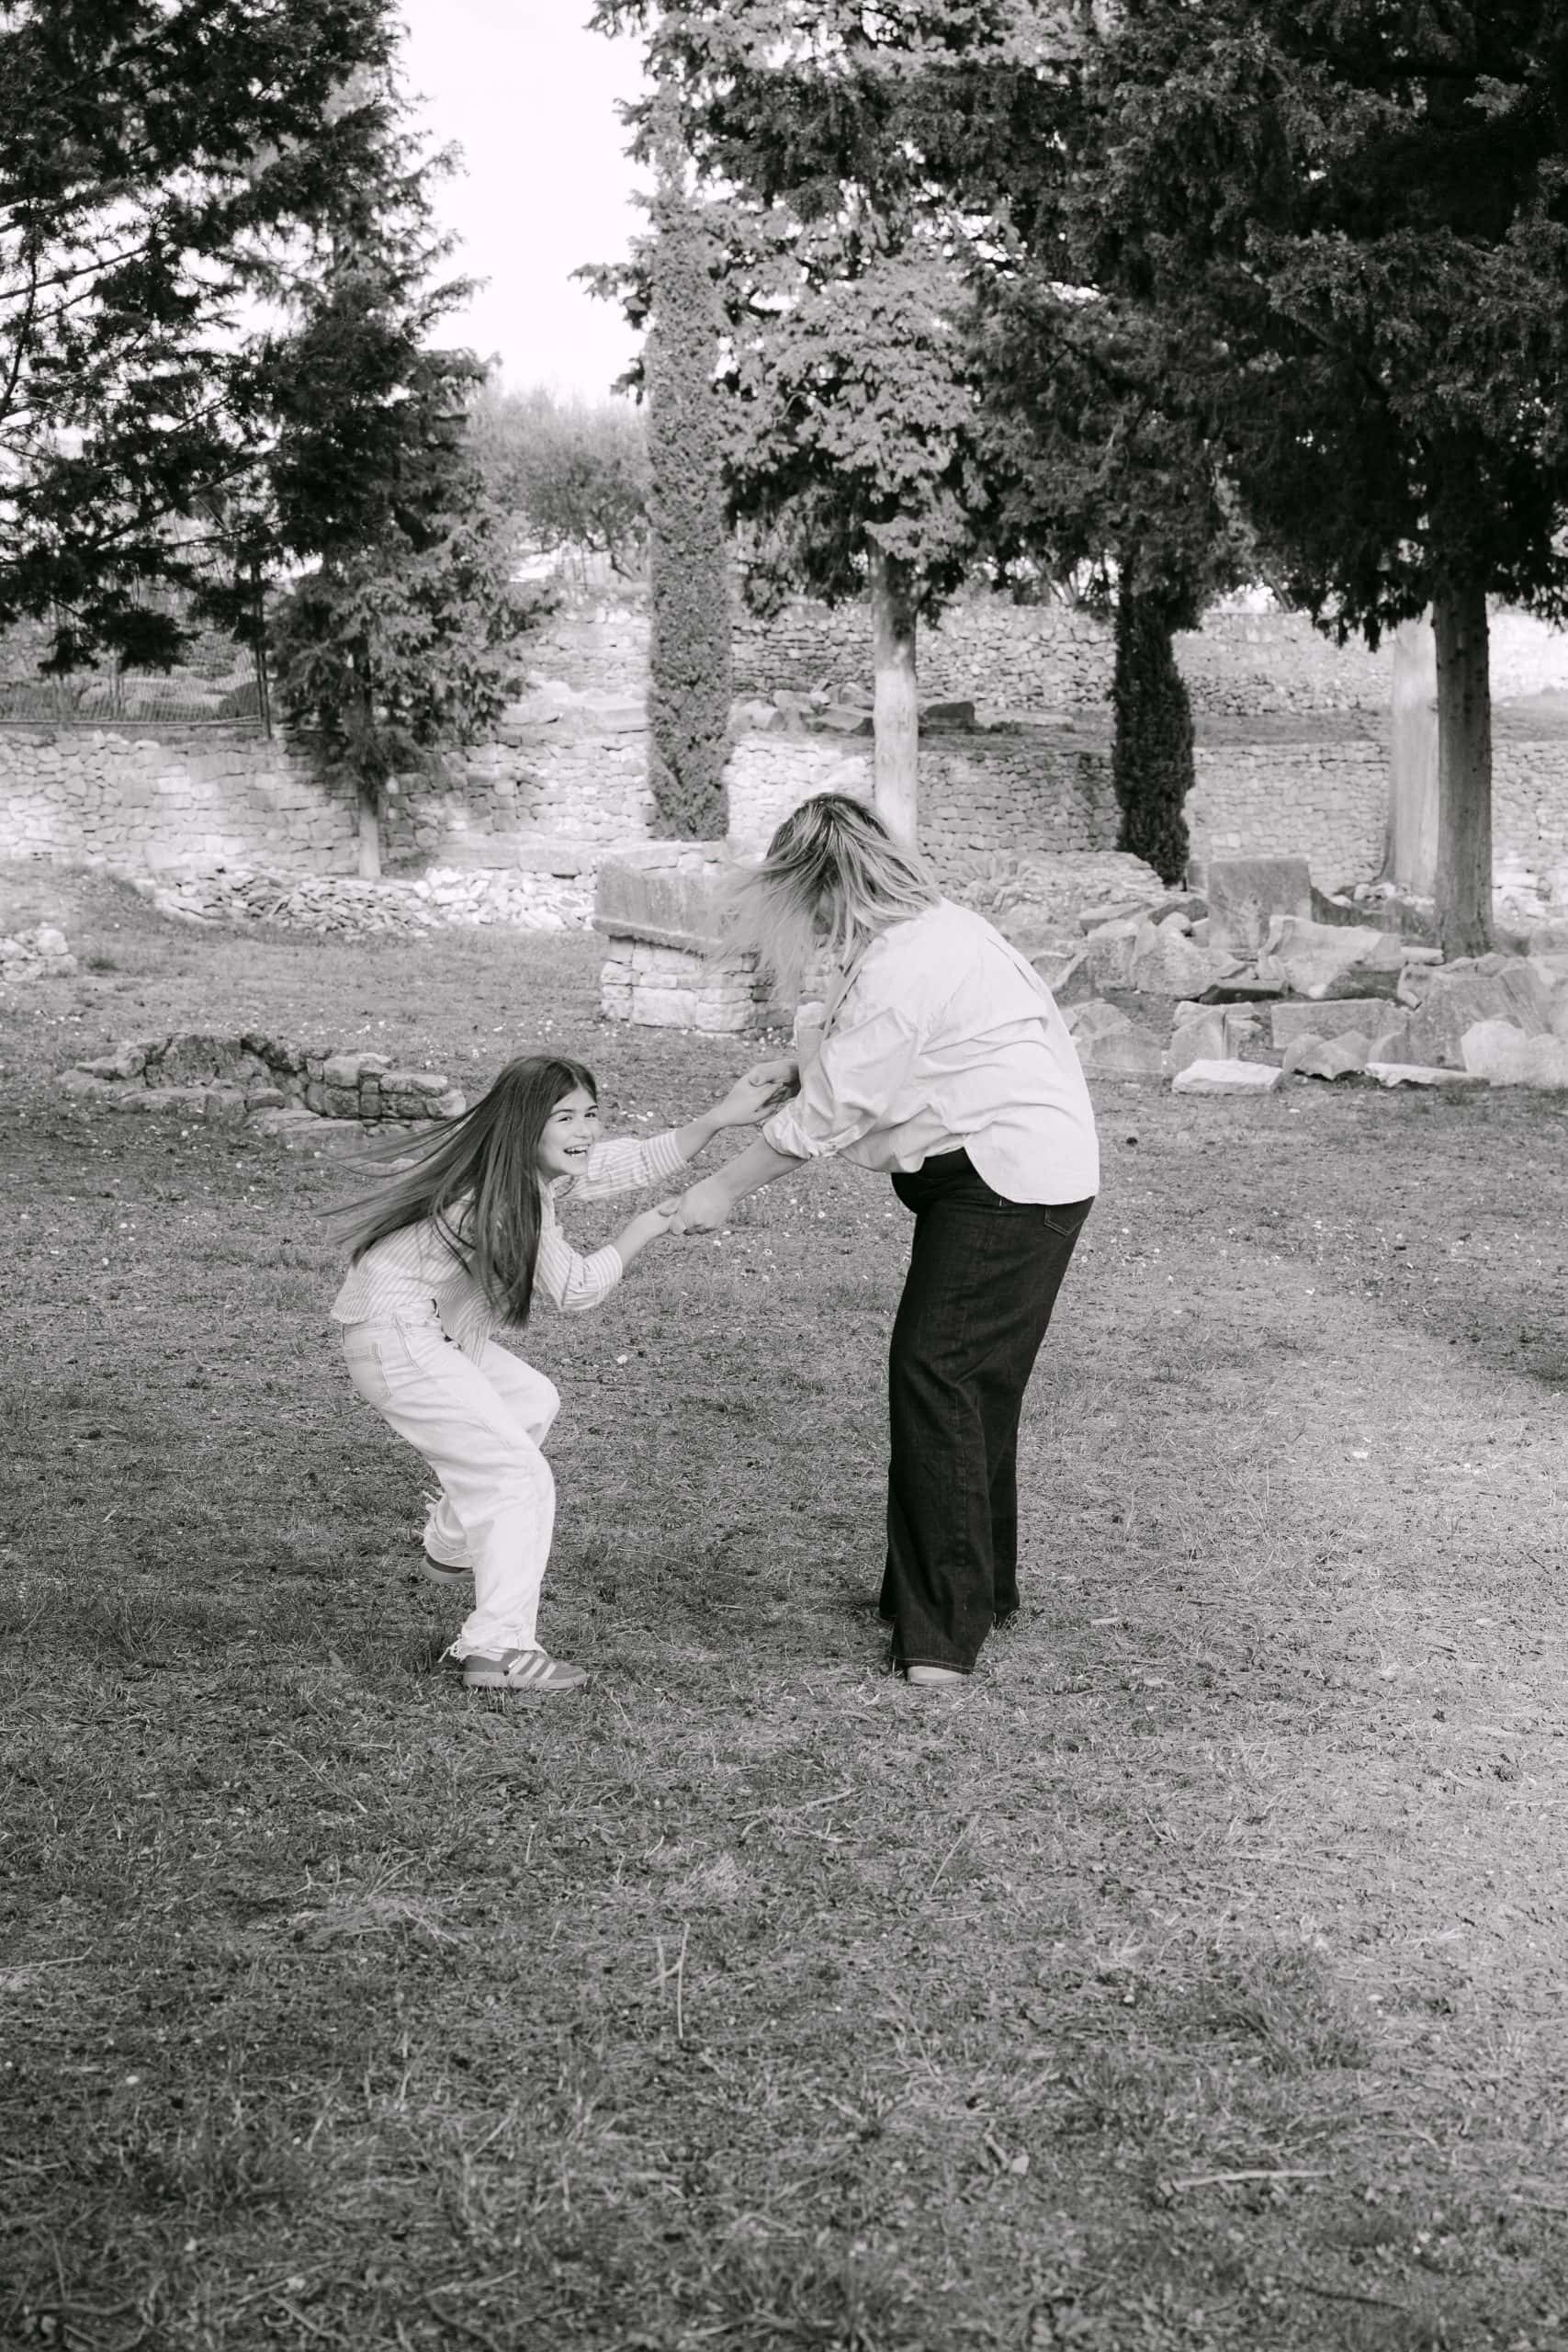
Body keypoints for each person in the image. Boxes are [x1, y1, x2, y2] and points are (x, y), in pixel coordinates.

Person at [671, 794, 1100, 1687]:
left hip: (1007, 1180)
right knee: (971, 1385)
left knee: (937, 1373)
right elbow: (878, 1052)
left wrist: (717, 1191)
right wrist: (798, 1060)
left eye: (805, 898)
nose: (808, 922)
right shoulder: (925, 933)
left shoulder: (914, 957)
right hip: (1018, 1171)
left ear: (831, 883)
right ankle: (975, 1593)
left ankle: (941, 1635)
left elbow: (834, 1112)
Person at [332, 1053, 782, 1695]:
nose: (585, 1130)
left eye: (590, 1114)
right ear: (525, 1127)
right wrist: (644, 1228)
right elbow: (573, 1289)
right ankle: (499, 1649)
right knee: (517, 1476)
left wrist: (717, 1119)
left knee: (531, 1400)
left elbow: (624, 1162)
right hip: (398, 1340)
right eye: (564, 1117)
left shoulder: (518, 1168)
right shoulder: (511, 1193)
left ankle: (450, 1543)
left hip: (425, 1332)